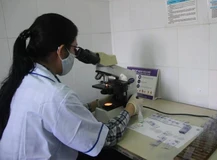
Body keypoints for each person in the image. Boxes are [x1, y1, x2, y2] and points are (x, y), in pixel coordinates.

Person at [0, 13, 142, 160]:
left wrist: (95, 104)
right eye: (74, 49)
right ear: (61, 51)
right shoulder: (56, 95)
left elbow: (58, 116)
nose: (76, 55)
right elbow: (108, 137)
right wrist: (130, 109)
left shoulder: (24, 79)